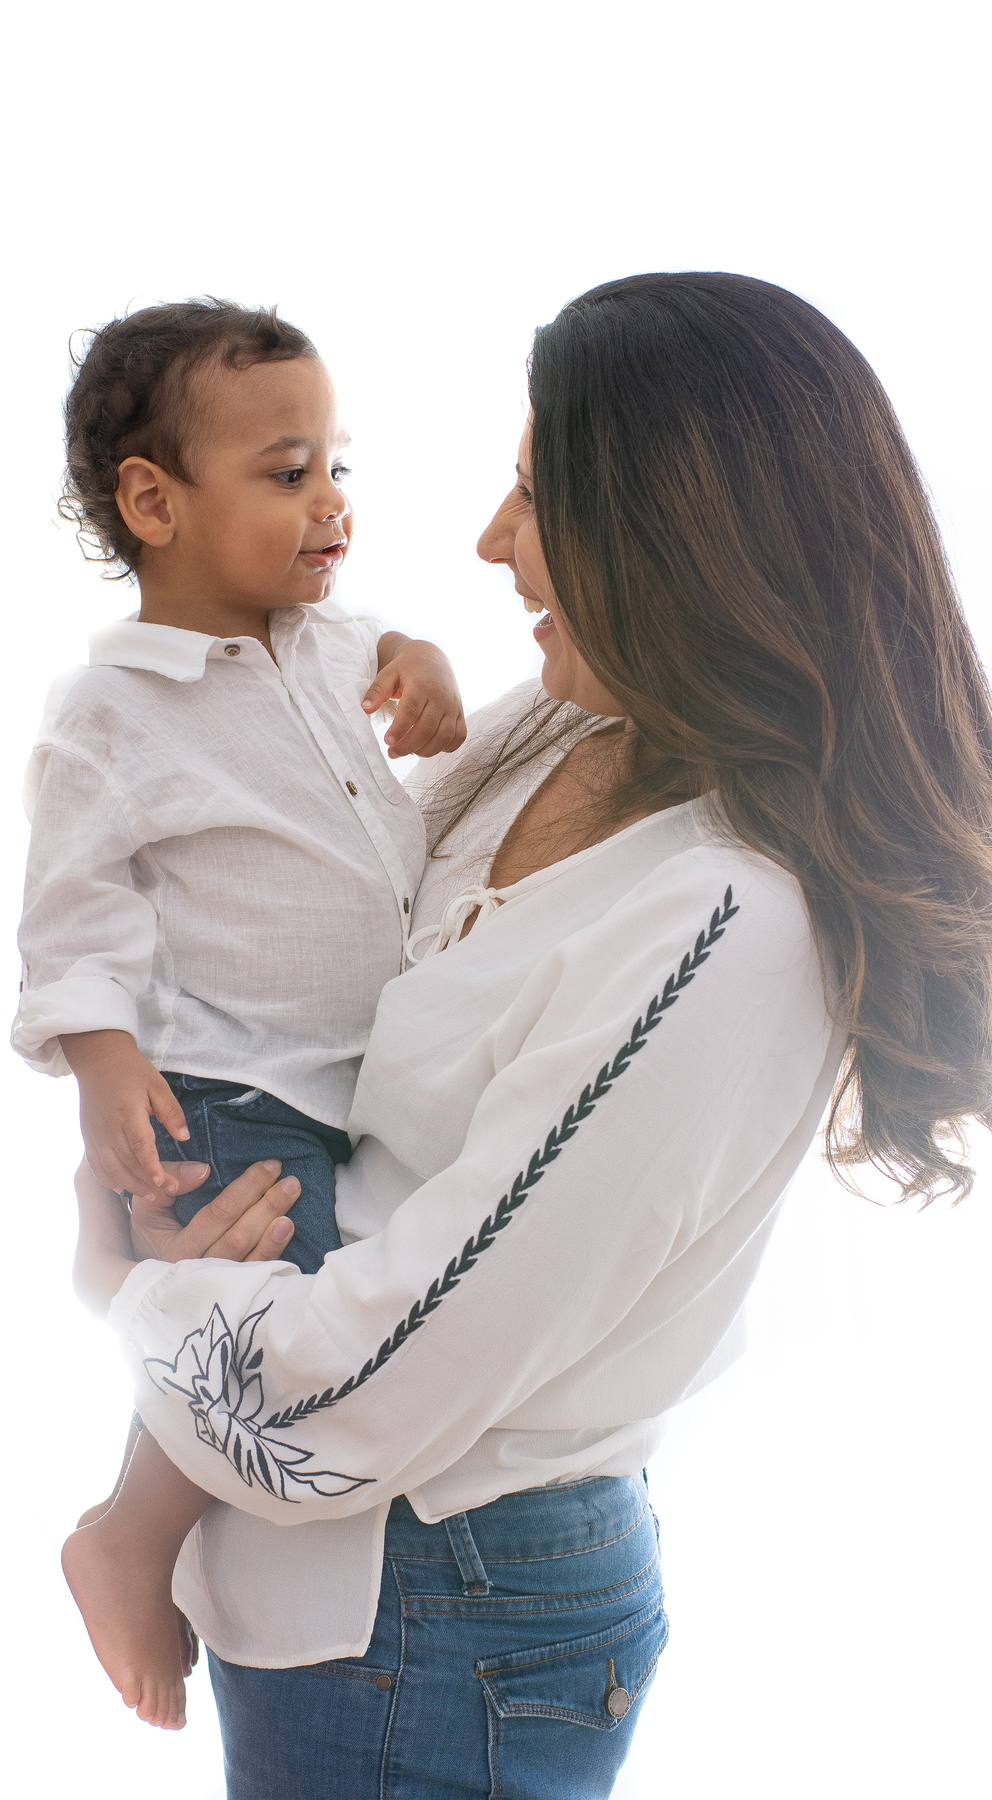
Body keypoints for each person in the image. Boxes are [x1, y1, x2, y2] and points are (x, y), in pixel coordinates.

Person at [75, 271, 992, 1800]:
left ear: (675, 537)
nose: (493, 542)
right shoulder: (577, 729)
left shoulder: (730, 925)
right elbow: (323, 952)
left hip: (435, 1610)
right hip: (336, 1562)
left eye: (531, 493)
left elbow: (363, 1399)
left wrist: (132, 1287)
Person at [12, 298, 467, 1728]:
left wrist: (433, 668)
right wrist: (99, 1057)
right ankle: (129, 1533)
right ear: (155, 502)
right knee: (259, 1319)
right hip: (223, 1077)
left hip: (352, 1078)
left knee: (302, 1311)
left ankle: (155, 1528)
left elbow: (395, 647)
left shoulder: (333, 645)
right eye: (288, 474)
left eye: (339, 467)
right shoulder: (113, 712)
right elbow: (74, 910)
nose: (332, 504)